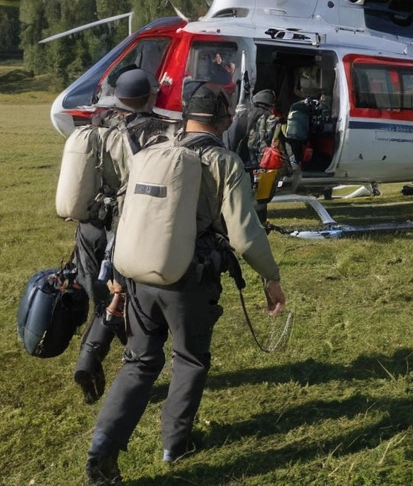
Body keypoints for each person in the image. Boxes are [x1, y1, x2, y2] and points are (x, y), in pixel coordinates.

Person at [85, 84, 286, 485]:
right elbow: (245, 234)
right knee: (190, 359)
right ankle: (174, 446)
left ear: (184, 116)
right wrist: (271, 278)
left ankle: (102, 449)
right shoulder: (224, 162)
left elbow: (128, 215)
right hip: (189, 281)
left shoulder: (153, 152)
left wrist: (121, 280)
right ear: (223, 120)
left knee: (140, 362)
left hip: (139, 273)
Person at [72, 68, 165, 405]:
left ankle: (88, 359)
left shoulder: (98, 124)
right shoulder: (158, 130)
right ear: (150, 96)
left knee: (103, 300)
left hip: (91, 226)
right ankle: (128, 369)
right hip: (127, 226)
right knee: (130, 302)